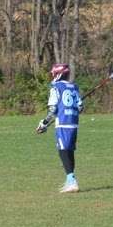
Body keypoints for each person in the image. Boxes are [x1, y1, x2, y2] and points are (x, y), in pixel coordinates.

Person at [36, 63, 83, 193]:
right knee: (69, 151)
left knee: (63, 151)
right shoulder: (74, 87)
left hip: (62, 123)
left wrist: (44, 123)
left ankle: (71, 181)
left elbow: (53, 110)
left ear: (58, 74)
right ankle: (70, 181)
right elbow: (80, 107)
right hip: (73, 122)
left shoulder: (56, 87)